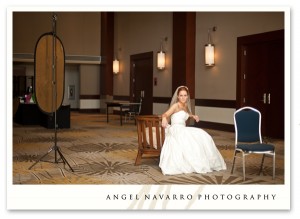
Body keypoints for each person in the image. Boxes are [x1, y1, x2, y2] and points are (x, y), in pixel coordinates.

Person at [159, 85, 227, 175]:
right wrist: (164, 118)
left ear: (187, 96)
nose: (183, 97)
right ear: (178, 96)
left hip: (183, 128)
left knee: (203, 135)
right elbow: (165, 114)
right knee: (191, 138)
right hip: (176, 129)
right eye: (181, 95)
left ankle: (207, 161)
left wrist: (193, 116)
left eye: (185, 95)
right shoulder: (176, 105)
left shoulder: (185, 105)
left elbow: (187, 114)